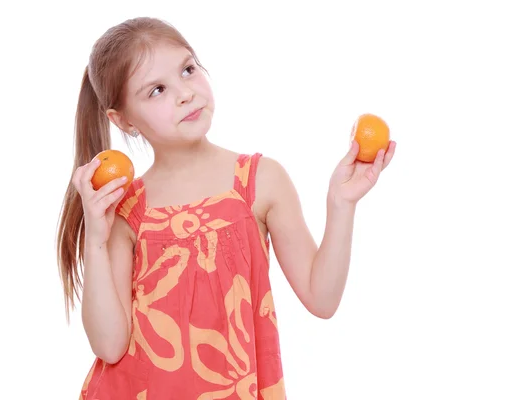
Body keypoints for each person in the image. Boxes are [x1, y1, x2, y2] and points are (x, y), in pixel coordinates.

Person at [56, 16, 396, 400]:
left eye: (187, 69)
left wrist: (341, 204)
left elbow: (322, 299)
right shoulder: (127, 211)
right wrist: (96, 241)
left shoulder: (260, 181)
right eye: (156, 91)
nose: (184, 93)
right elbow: (109, 346)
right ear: (124, 121)